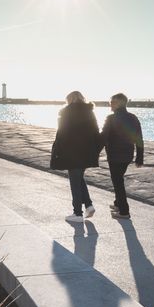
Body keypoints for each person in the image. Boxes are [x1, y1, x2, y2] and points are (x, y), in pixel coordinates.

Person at [50, 91, 102, 222]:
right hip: (87, 152)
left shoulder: (66, 112)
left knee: (75, 182)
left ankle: (77, 213)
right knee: (79, 178)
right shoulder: (90, 112)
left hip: (71, 152)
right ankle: (89, 205)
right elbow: (97, 132)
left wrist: (56, 151)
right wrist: (95, 151)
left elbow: (61, 134)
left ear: (70, 100)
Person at [101, 93, 144, 219]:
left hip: (115, 155)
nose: (110, 105)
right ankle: (118, 204)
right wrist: (139, 157)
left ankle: (124, 211)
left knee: (118, 182)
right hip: (127, 155)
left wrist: (93, 152)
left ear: (118, 103)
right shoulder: (133, 117)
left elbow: (103, 137)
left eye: (112, 103)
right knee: (118, 179)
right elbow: (139, 139)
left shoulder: (111, 118)